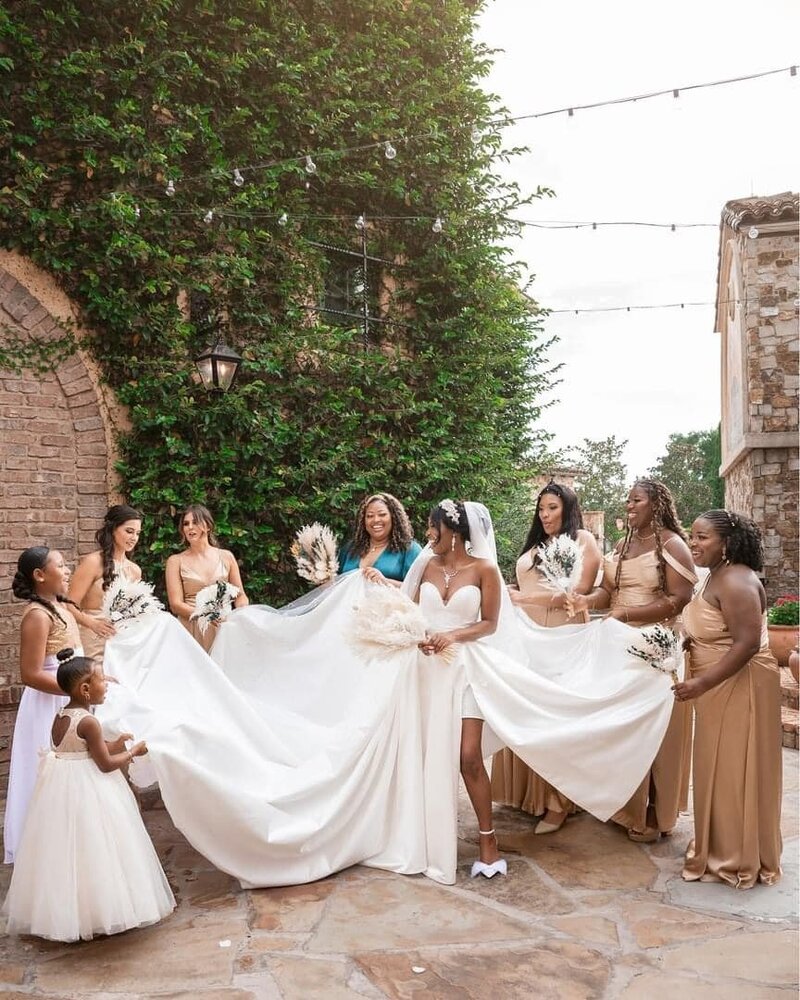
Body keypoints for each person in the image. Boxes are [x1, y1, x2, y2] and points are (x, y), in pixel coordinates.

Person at [2, 649, 175, 940]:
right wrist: (132, 751)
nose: (105, 684)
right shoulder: (89, 722)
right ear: (85, 689)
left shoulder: (61, 715)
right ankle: (104, 910)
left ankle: (72, 911)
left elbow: (78, 749)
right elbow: (105, 764)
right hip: (90, 789)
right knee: (100, 847)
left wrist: (115, 742)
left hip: (61, 789)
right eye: (100, 680)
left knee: (70, 851)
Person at [568, 478, 697, 842]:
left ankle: (654, 813)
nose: (629, 505)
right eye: (627, 499)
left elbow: (680, 598)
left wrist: (628, 616)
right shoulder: (623, 544)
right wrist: (586, 601)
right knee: (618, 728)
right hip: (617, 644)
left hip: (653, 647)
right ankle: (625, 805)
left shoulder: (672, 545)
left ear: (656, 504)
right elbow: (609, 592)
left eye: (636, 500)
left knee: (652, 732)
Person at [674, 510, 782, 888]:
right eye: (693, 536)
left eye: (702, 537)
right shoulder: (716, 576)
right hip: (719, 685)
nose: (694, 543)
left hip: (741, 684)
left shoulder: (736, 579)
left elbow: (748, 644)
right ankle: (719, 844)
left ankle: (736, 856)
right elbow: (716, 629)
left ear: (727, 542)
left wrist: (702, 682)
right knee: (716, 767)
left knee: (737, 769)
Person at [491, 482, 602, 834]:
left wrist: (524, 599)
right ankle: (529, 794)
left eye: (552, 508)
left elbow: (578, 593)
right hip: (526, 636)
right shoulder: (536, 545)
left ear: (567, 508)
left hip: (563, 635)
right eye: (541, 509)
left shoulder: (583, 539)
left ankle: (560, 801)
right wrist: (510, 594)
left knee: (558, 717)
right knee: (526, 712)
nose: (545, 515)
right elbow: (525, 585)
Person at [414, 500, 506, 877]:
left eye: (432, 528)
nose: (428, 535)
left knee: (469, 755)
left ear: (453, 530)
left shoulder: (485, 569)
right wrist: (414, 635)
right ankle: (428, 838)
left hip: (466, 668)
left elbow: (490, 623)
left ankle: (488, 839)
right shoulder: (425, 567)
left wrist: (452, 634)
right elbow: (409, 611)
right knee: (428, 754)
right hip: (426, 670)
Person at [3, 547, 82, 864]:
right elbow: (31, 674)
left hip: (71, 697)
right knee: (48, 776)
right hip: (49, 706)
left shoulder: (59, 605)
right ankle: (47, 853)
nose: (67, 571)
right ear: (39, 575)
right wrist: (76, 687)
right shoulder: (37, 615)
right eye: (61, 566)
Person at [165, 504, 249, 652]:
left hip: (224, 625)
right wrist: (205, 616)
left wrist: (239, 616)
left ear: (208, 526)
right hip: (192, 627)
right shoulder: (175, 561)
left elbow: (240, 595)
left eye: (195, 522)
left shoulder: (226, 556)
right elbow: (175, 604)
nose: (190, 527)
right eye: (186, 524)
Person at [68, 504, 143, 663]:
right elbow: (68, 604)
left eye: (137, 533)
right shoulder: (93, 562)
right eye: (129, 531)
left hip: (122, 641)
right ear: (113, 529)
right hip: (93, 637)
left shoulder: (135, 571)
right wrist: (92, 623)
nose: (134, 538)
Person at [338, 492, 422, 585]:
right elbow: (336, 583)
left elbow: (419, 592)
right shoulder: (350, 549)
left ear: (393, 517)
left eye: (382, 514)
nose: (376, 520)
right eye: (370, 516)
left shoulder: (410, 550)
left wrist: (384, 581)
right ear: (363, 521)